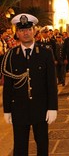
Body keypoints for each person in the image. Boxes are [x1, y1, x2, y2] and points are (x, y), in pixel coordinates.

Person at [1, 13, 58, 156]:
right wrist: (7, 109)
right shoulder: (11, 55)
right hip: (19, 109)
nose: (25, 33)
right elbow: (8, 85)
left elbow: (51, 83)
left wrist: (52, 107)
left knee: (42, 145)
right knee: (20, 147)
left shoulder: (45, 53)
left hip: (40, 108)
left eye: (28, 29)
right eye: (21, 30)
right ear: (17, 33)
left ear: (34, 31)